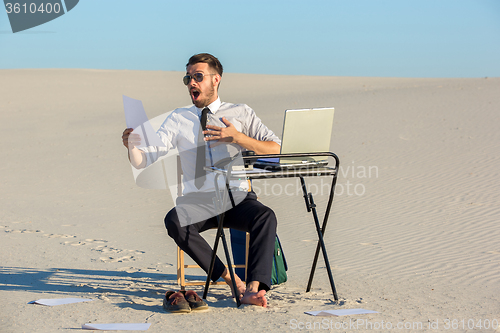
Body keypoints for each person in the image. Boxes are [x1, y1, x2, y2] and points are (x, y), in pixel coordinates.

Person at [122, 53, 280, 307]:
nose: (191, 83)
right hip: (200, 202)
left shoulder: (240, 112)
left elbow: (276, 149)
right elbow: (144, 159)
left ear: (216, 80)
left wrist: (239, 139)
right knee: (174, 221)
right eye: (188, 78)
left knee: (265, 216)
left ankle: (254, 288)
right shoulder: (178, 118)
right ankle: (232, 281)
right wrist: (132, 146)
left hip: (236, 198)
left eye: (198, 76)